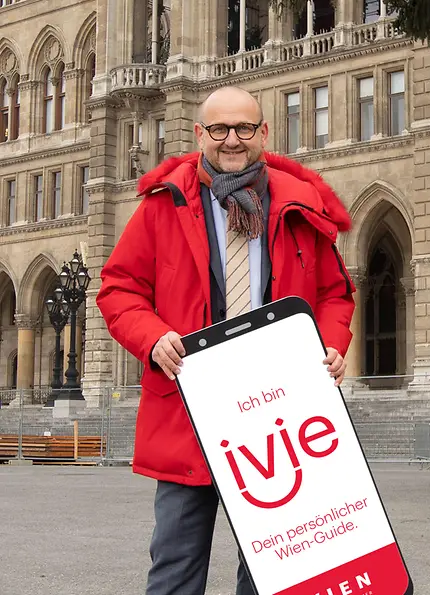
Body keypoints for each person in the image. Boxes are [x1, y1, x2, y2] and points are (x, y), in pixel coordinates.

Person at [96, 86, 356, 595]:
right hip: (190, 410)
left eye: (243, 128)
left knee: (275, 569)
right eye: (219, 129)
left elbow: (334, 292)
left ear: (264, 133)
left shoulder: (299, 204)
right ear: (199, 135)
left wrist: (328, 343)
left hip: (279, 415)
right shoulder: (162, 207)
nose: (231, 140)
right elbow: (118, 289)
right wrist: (153, 338)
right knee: (175, 568)